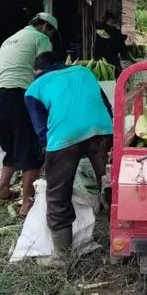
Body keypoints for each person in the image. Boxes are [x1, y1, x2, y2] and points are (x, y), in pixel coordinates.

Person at [24, 51, 113, 267]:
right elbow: (106, 105)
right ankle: (117, 246)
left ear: (36, 72)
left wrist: (50, 156)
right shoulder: (84, 72)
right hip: (102, 130)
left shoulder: (33, 89)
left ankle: (61, 256)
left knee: (57, 194)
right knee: (112, 182)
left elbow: (41, 129)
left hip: (65, 137)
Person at [0, 12, 58, 214]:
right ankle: (27, 203)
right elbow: (45, 70)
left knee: (13, 145)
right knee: (31, 147)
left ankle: (2, 190)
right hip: (18, 93)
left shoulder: (12, 38)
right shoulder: (41, 38)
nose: (50, 39)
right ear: (46, 28)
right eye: (52, 34)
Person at [93, 11, 132, 78]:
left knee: (100, 79)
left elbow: (103, 41)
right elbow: (121, 47)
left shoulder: (100, 30)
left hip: (99, 61)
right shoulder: (115, 32)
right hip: (111, 62)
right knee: (112, 79)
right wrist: (125, 55)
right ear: (111, 19)